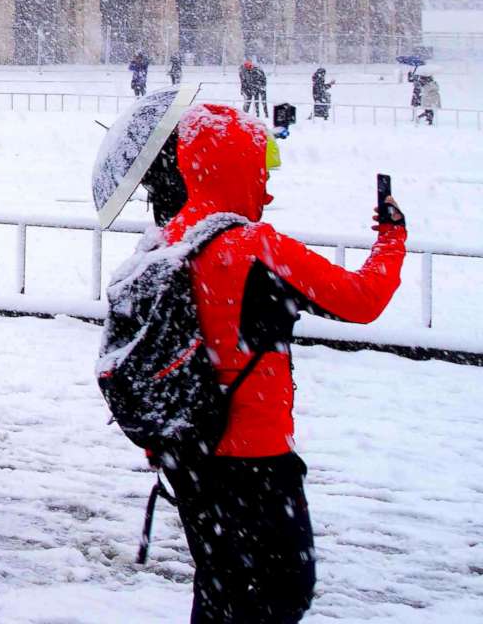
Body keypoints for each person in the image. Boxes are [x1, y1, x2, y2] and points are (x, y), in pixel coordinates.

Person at [157, 103, 405, 624]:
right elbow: (361, 300)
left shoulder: (165, 243)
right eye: (261, 169)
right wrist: (392, 239)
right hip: (255, 455)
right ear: (239, 169)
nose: (267, 187)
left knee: (220, 586)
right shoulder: (256, 247)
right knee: (282, 589)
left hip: (187, 451)